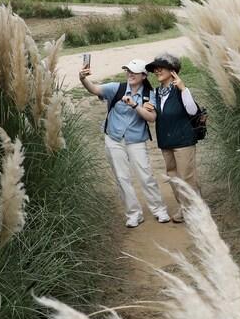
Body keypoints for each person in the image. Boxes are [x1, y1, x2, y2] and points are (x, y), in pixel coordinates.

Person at [79, 57, 172, 227]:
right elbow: (94, 89)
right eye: (128, 70)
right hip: (114, 139)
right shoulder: (117, 88)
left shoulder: (149, 95)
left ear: (144, 75)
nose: (130, 74)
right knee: (122, 178)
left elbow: (151, 118)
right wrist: (83, 78)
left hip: (136, 140)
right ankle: (134, 214)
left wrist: (135, 105)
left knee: (146, 176)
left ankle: (159, 210)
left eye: (134, 71)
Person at [146, 53, 201, 224]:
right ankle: (187, 206)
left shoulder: (181, 90)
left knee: (186, 176)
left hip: (184, 139)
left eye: (161, 67)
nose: (157, 70)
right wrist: (147, 108)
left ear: (173, 70)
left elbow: (193, 111)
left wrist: (184, 89)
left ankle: (191, 211)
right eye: (155, 68)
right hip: (166, 141)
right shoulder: (156, 92)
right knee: (173, 176)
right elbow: (154, 115)